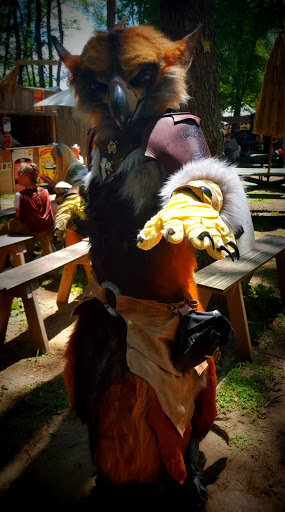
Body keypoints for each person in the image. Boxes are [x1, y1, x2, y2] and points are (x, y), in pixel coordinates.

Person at [0, 162, 54, 258]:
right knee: (46, 246)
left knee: (6, 228)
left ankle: (8, 261)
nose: (17, 178)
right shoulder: (45, 192)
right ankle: (52, 271)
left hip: (28, 229)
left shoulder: (20, 196)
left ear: (24, 177)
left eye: (18, 176)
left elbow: (18, 216)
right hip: (46, 229)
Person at [40, 143, 88, 215]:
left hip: (83, 209)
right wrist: (52, 183)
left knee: (51, 207)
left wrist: (51, 202)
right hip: (79, 206)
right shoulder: (72, 168)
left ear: (61, 157)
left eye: (55, 160)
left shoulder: (74, 170)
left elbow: (69, 197)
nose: (55, 163)